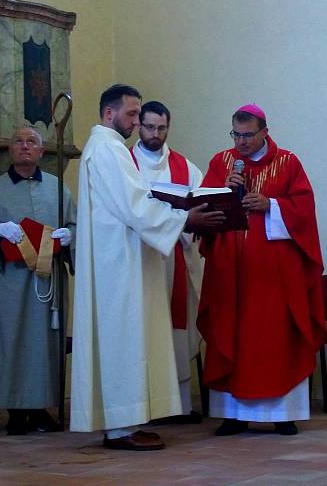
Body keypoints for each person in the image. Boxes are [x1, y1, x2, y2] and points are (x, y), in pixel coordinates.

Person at [70, 84, 223, 450]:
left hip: (120, 258)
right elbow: (135, 204)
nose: (137, 121)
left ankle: (123, 423)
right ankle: (123, 427)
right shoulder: (109, 149)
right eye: (132, 114)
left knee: (124, 341)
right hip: (120, 264)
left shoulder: (102, 148)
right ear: (109, 114)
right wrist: (186, 220)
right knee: (125, 341)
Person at [198, 103, 326, 436]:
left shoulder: (288, 163)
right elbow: (201, 209)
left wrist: (271, 205)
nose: (240, 143)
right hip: (230, 270)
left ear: (265, 132)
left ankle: (284, 414)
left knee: (275, 340)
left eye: (248, 136)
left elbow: (305, 210)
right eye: (236, 135)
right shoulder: (220, 162)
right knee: (230, 335)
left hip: (274, 276)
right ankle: (232, 415)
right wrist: (223, 190)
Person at [0, 127, 75, 435]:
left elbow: (75, 227)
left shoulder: (58, 188)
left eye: (32, 142)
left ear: (42, 152)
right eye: (19, 141)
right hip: (12, 281)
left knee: (44, 345)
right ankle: (15, 411)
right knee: (11, 341)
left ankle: (41, 411)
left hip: (48, 282)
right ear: (10, 151)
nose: (25, 146)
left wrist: (70, 236)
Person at [129, 101, 204, 423]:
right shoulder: (125, 164)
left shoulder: (186, 168)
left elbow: (202, 205)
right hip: (137, 260)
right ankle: (143, 405)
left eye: (162, 128)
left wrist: (190, 220)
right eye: (149, 127)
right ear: (138, 126)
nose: (155, 134)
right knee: (143, 329)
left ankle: (178, 405)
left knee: (176, 329)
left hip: (174, 255)